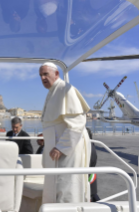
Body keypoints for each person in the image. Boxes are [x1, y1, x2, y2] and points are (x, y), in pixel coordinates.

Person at [39, 62, 91, 204]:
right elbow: (56, 123)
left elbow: (77, 122)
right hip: (56, 148)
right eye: (41, 75)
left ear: (56, 74)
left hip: (67, 150)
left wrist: (61, 147)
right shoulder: (53, 91)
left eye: (45, 74)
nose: (43, 78)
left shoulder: (65, 89)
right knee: (56, 184)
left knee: (66, 184)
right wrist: (46, 138)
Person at [86, 127, 100, 202]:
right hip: (92, 173)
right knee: (93, 195)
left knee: (91, 196)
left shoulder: (88, 147)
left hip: (88, 176)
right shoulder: (92, 145)